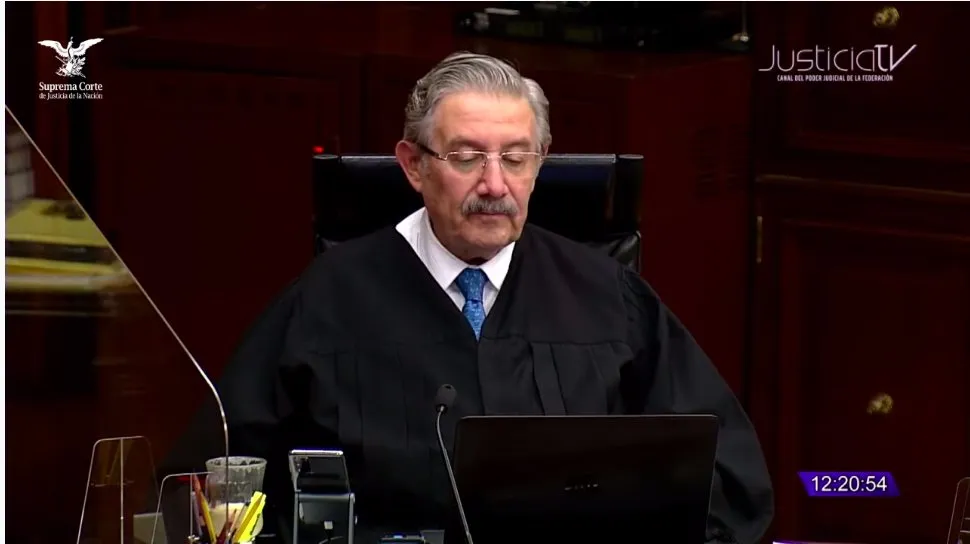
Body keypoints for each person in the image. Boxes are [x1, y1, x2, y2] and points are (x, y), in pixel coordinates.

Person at [174, 51, 774, 544]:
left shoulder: (607, 296)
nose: (494, 184)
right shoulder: (327, 300)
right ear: (413, 165)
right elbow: (214, 482)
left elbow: (728, 476)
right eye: (466, 157)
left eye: (515, 158)